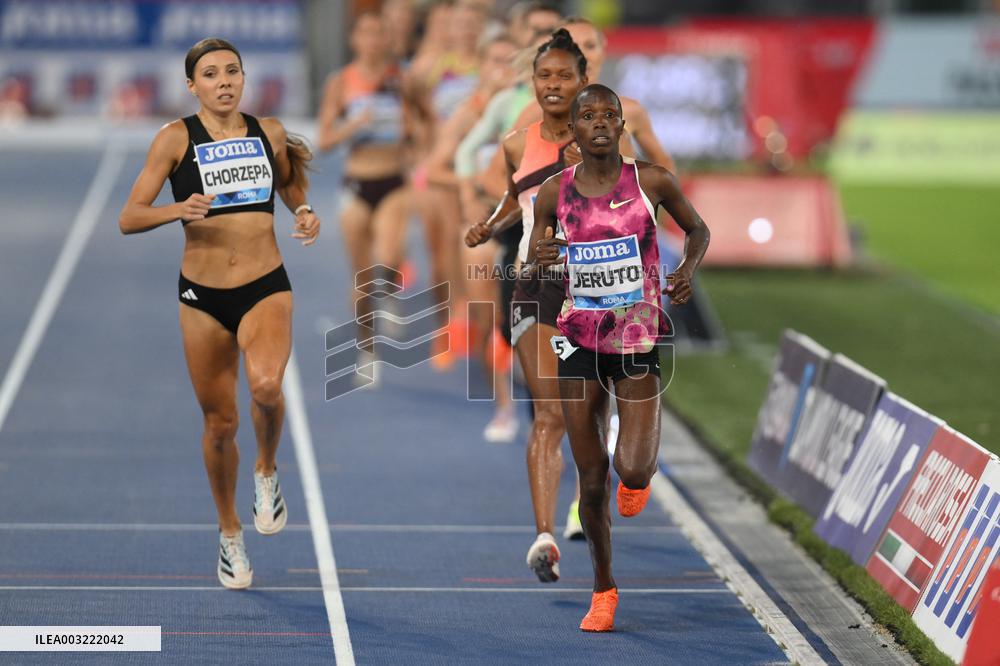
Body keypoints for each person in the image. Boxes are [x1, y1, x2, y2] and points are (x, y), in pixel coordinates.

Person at [119, 38, 319, 590]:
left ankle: (266, 470)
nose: (225, 81)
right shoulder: (174, 140)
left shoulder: (269, 131)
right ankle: (230, 532)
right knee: (219, 424)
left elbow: (286, 180)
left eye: (233, 71)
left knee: (265, 389)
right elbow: (128, 217)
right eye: (211, 74)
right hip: (202, 296)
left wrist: (301, 210)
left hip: (264, 284)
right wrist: (176, 210)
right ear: (193, 86)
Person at [527, 84, 709, 631]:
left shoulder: (650, 181)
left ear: (622, 125)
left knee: (631, 466)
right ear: (575, 132)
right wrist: (542, 257)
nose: (600, 122)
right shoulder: (552, 193)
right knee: (590, 480)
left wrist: (684, 272)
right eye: (588, 116)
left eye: (610, 114)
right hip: (580, 344)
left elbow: (697, 229)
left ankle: (639, 475)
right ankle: (603, 590)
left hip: (637, 341)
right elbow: (538, 256)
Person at [465, 29, 634, 583]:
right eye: (544, 76)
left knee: (591, 416)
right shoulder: (517, 142)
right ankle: (542, 537)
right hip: (534, 285)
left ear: (583, 82)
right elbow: (516, 204)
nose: (553, 85)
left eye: (564, 76)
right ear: (532, 83)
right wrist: (488, 227)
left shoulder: (608, 142)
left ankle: (591, 503)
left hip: (594, 290)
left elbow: (628, 212)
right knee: (550, 412)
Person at [317, 12, 409, 364]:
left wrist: (412, 135)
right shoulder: (341, 82)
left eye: (378, 33)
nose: (372, 41)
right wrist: (353, 125)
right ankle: (367, 348)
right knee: (361, 278)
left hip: (394, 179)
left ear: (387, 39)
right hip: (357, 182)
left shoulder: (402, 79)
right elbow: (324, 139)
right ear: (354, 40)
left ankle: (388, 295)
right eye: (365, 33)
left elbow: (424, 123)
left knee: (388, 255)